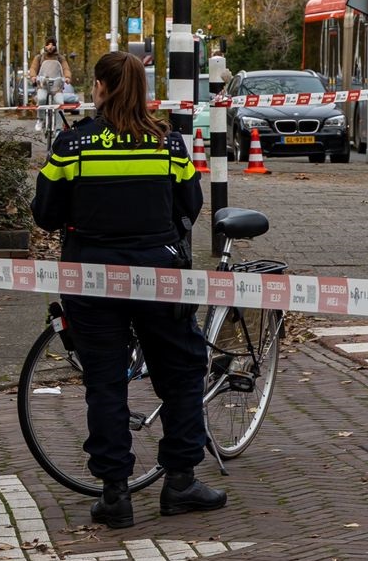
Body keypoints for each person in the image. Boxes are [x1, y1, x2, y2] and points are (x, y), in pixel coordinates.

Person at [31, 50, 226, 528]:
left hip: (91, 277)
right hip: (159, 275)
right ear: (141, 90)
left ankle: (115, 494)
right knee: (180, 374)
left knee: (105, 383)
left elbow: (45, 213)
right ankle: (180, 481)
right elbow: (191, 206)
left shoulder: (73, 145)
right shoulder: (169, 146)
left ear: (99, 87)